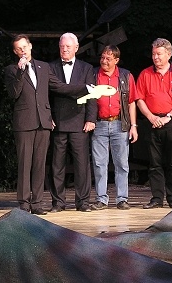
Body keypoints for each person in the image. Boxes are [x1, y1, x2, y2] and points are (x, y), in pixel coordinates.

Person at [4, 34, 91, 215]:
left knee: (39, 164)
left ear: (30, 46)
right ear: (15, 51)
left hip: (43, 122)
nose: (23, 51)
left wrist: (85, 88)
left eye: (25, 47)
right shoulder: (11, 70)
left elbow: (59, 87)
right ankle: (24, 203)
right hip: (24, 122)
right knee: (25, 163)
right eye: (19, 49)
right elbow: (13, 94)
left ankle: (36, 203)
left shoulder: (43, 67)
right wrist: (21, 71)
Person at [136, 38, 172, 209]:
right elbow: (139, 99)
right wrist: (150, 116)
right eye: (153, 54)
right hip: (152, 121)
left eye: (159, 54)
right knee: (154, 162)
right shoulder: (145, 73)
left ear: (169, 54)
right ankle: (156, 198)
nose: (155, 57)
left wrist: (169, 116)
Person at [47, 33, 97, 213]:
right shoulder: (50, 67)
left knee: (82, 164)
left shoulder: (86, 68)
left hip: (79, 121)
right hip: (58, 122)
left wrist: (91, 118)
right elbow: (47, 94)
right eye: (62, 46)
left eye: (68, 46)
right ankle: (58, 202)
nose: (65, 49)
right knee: (57, 164)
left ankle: (83, 202)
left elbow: (93, 95)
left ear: (76, 48)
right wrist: (47, 117)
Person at [90, 45, 138, 211]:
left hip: (120, 123)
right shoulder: (94, 74)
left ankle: (122, 199)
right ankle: (101, 199)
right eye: (102, 57)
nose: (104, 61)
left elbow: (131, 102)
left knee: (122, 164)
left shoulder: (125, 75)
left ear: (116, 60)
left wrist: (134, 126)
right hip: (99, 124)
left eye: (108, 58)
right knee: (99, 163)